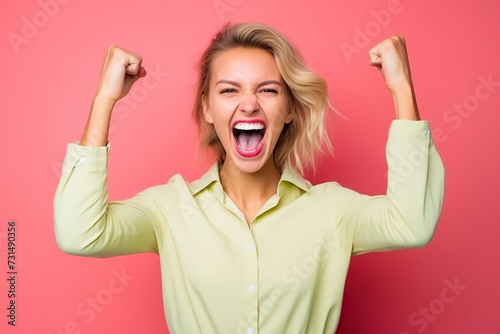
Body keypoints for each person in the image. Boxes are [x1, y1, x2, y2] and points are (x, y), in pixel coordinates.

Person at [54, 22, 445, 334]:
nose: (248, 103)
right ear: (207, 108)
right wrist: (104, 100)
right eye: (229, 90)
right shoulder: (170, 210)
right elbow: (79, 234)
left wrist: (401, 88)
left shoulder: (332, 211)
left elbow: (411, 224)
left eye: (268, 89)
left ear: (290, 108)